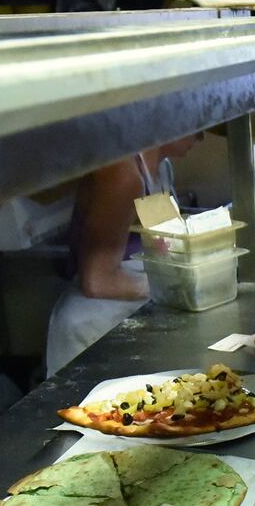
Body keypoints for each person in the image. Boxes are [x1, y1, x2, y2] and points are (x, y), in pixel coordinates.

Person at [44, 132, 203, 376]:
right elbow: (97, 281)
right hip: (92, 327)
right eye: (197, 123)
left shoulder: (162, 169)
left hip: (128, 315)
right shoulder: (123, 174)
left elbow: (163, 247)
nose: (202, 135)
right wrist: (175, 286)